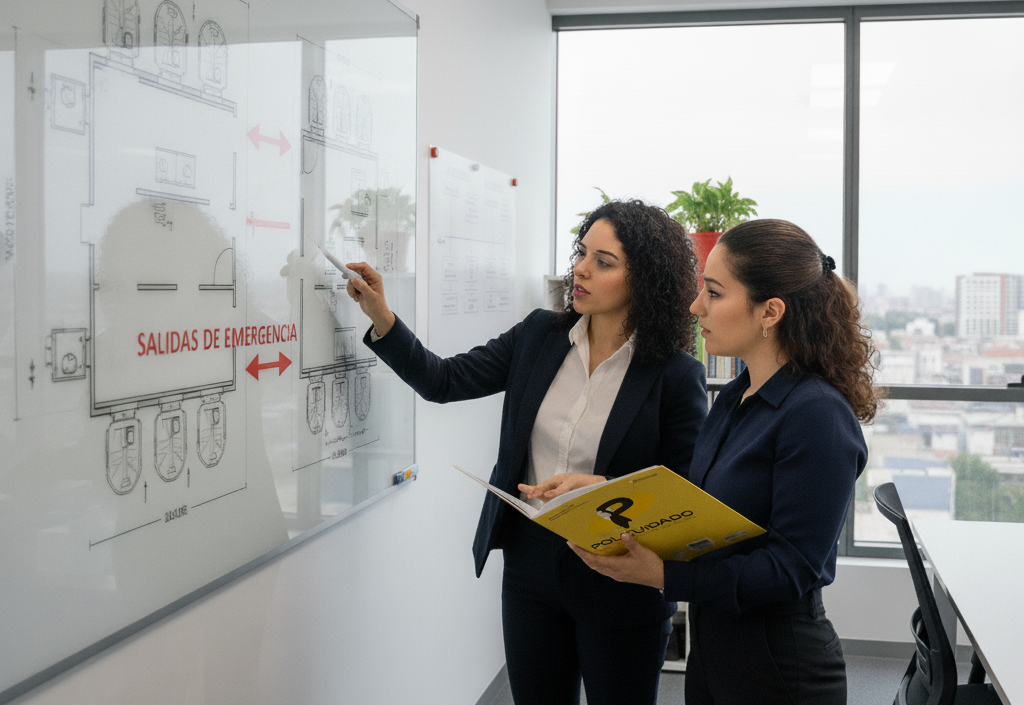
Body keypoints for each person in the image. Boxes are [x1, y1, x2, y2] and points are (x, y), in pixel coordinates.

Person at [343, 200, 709, 705]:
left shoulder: (674, 374)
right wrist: (381, 314)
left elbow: (684, 491)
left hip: (620, 577)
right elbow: (443, 380)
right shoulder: (540, 335)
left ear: (642, 280)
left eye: (604, 262)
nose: (580, 268)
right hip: (531, 570)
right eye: (583, 253)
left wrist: (603, 490)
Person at [568, 219, 880, 704]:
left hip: (778, 668)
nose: (696, 308)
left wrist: (662, 576)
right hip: (715, 651)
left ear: (770, 311)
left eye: (713, 293)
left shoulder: (817, 415)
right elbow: (700, 507)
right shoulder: (737, 395)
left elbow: (791, 568)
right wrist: (603, 492)